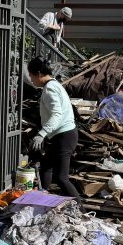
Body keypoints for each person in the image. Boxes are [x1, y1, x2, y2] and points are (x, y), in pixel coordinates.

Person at [27, 56, 80, 199]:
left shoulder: (50, 89)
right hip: (61, 135)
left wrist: (42, 133)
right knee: (46, 165)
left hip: (65, 136)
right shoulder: (54, 85)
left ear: (38, 74)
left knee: (61, 178)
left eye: (31, 76)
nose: (31, 80)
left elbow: (56, 114)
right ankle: (42, 196)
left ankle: (82, 211)